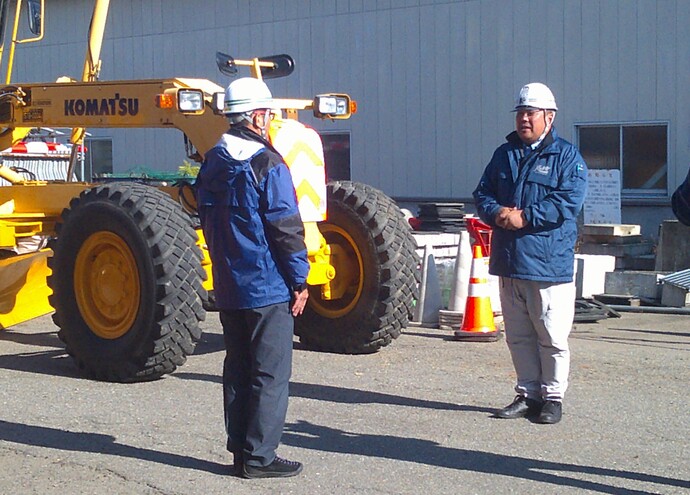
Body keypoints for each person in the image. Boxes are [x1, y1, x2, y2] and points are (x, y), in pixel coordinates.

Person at [195, 77, 310, 477]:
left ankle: (240, 450)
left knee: (238, 369)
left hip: (229, 287)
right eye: (268, 115)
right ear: (258, 115)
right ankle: (260, 458)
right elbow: (285, 227)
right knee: (270, 374)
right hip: (267, 287)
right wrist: (299, 280)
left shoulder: (211, 160)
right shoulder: (268, 163)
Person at [473, 82, 588, 424]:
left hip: (547, 264)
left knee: (551, 335)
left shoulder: (568, 157)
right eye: (521, 113)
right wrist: (496, 213)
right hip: (510, 262)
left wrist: (524, 217)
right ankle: (527, 393)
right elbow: (482, 193)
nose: (524, 119)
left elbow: (567, 202)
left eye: (531, 113)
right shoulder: (503, 154)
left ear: (549, 117)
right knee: (519, 335)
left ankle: (553, 397)